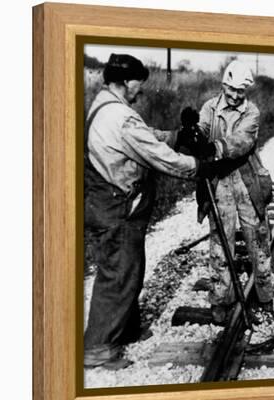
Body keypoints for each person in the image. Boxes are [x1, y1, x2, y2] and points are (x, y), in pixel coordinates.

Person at [83, 54, 211, 370]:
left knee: (127, 266)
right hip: (117, 206)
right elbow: (158, 155)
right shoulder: (120, 118)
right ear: (127, 81)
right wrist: (199, 167)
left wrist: (175, 136)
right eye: (139, 82)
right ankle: (98, 349)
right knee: (119, 273)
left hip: (106, 200)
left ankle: (123, 329)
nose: (141, 90)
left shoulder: (105, 106)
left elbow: (145, 135)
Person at [197, 60, 273, 323]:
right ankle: (221, 300)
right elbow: (203, 129)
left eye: (240, 91)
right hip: (219, 181)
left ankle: (265, 296)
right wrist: (194, 135)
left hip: (246, 179)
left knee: (258, 238)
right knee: (220, 241)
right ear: (223, 85)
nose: (235, 95)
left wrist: (215, 148)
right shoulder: (209, 107)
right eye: (231, 89)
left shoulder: (251, 112)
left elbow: (242, 141)